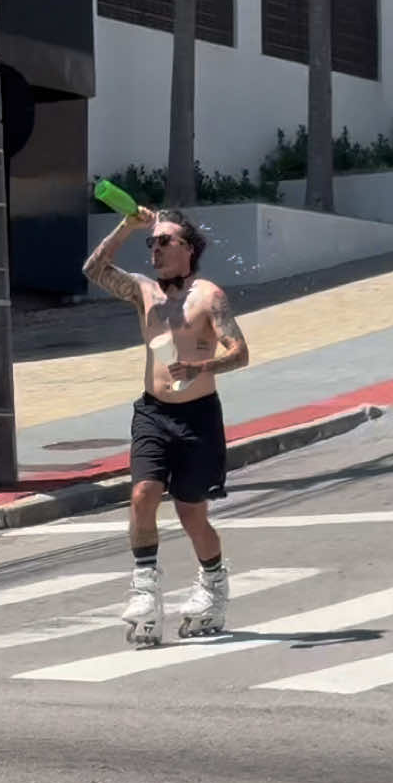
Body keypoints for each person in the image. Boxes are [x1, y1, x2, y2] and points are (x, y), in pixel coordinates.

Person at [82, 203, 250, 645]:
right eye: (150, 242)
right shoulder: (143, 292)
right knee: (142, 494)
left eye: (164, 241)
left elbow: (241, 352)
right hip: (154, 413)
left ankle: (213, 584)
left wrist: (202, 365)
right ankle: (144, 588)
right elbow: (94, 268)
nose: (154, 249)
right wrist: (126, 225)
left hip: (198, 417)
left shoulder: (209, 296)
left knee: (192, 513)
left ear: (188, 249)